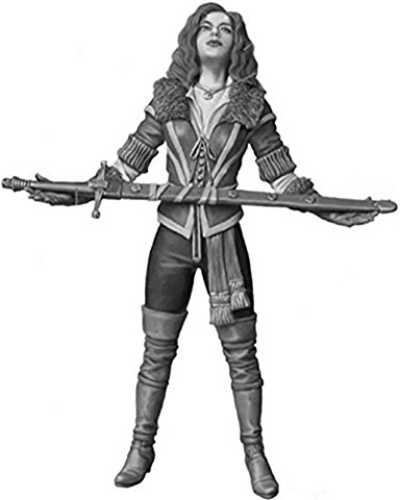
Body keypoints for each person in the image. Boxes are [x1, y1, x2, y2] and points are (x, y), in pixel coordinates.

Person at [27, 3, 376, 499]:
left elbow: (281, 175)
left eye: (225, 29)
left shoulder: (251, 104)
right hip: (171, 238)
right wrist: (76, 192)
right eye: (207, 27)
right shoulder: (169, 99)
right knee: (156, 351)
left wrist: (326, 208)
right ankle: (140, 448)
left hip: (223, 240)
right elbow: (126, 166)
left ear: (236, 43)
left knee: (242, 354)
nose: (215, 34)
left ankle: (255, 454)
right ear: (192, 39)